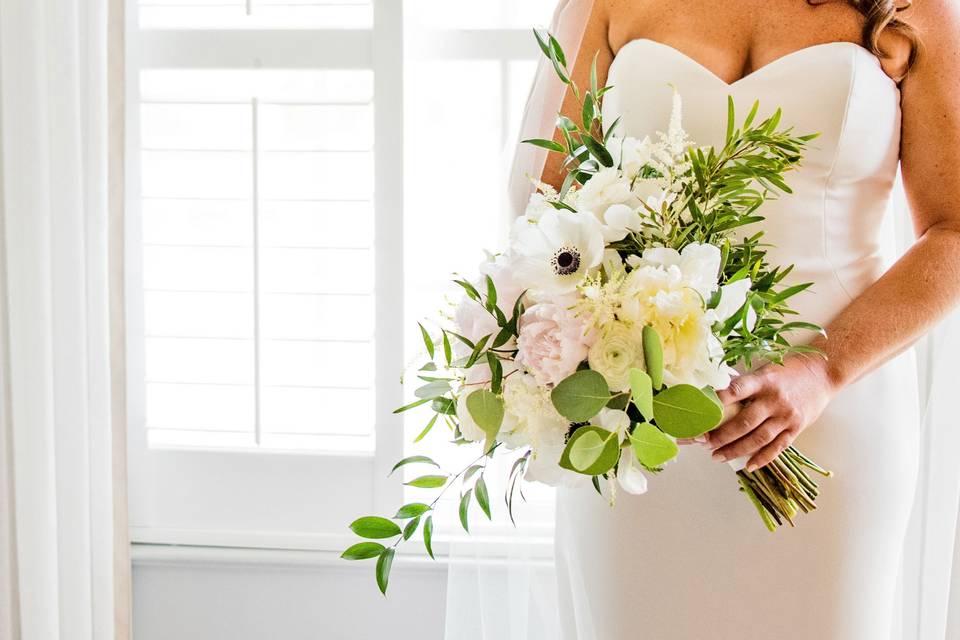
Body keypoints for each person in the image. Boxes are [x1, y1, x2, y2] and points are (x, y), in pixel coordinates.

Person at [509, 1, 960, 638]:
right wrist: (618, 350)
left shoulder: (913, 10)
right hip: (640, 416)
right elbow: (544, 207)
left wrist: (822, 373)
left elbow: (953, 232)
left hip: (834, 417)